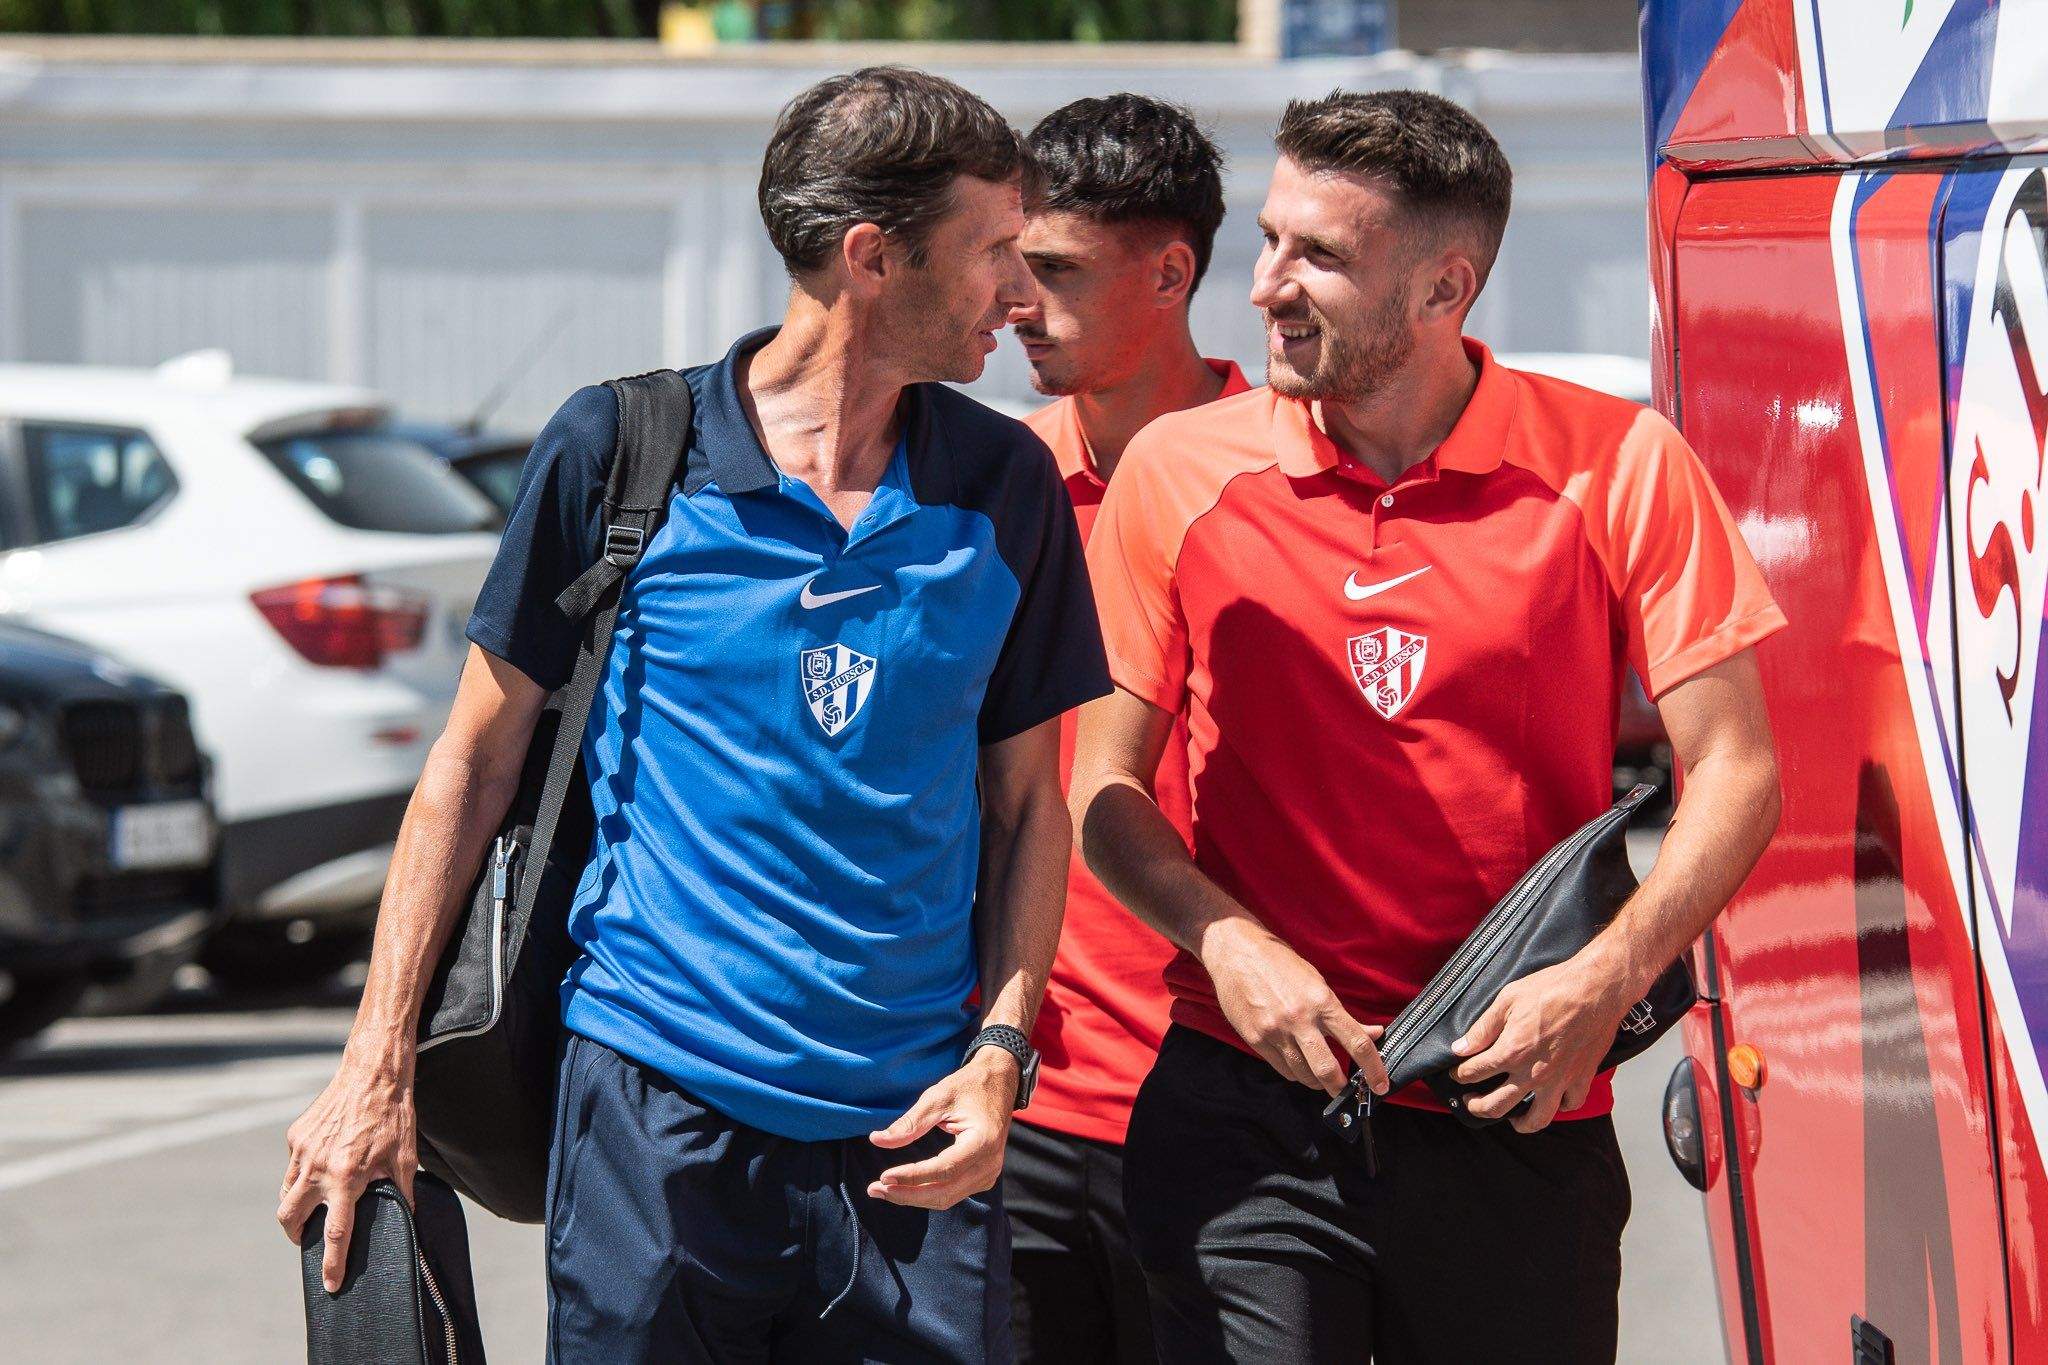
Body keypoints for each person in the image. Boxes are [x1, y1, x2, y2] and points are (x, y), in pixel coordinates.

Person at [278, 66, 1111, 1363]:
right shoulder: (622, 455)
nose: (1023, 291)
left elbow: (1027, 807)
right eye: (996, 248)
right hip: (656, 1114)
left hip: (917, 1135)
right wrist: (372, 1064)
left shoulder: (1006, 488)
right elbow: (471, 765)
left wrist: (1003, 1051)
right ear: (871, 258)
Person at [1070, 89, 1786, 1363]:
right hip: (1244, 1109)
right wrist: (1222, 939)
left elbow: (1735, 770)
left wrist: (1604, 978)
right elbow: (1102, 792)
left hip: (1514, 1099)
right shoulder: (1176, 471)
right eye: (1271, 240)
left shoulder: (1618, 465)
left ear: (1443, 287)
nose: (1265, 287)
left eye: (1319, 257)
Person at [1001, 94, 1245, 1365]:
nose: (1012, 305)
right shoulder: (994, 493)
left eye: (1051, 273)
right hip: (1022, 1102)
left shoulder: (1282, 484)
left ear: (1169, 270)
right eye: (1009, 267)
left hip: (1232, 1105)